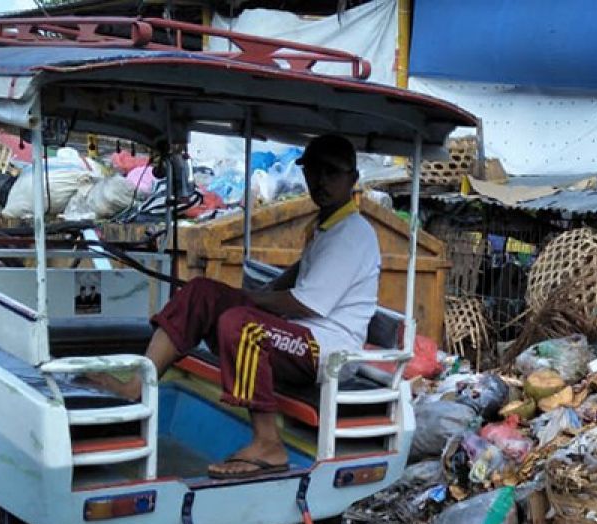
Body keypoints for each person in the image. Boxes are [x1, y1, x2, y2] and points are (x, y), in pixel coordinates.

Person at [91, 134, 381, 478]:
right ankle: (138, 385)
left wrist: (248, 299)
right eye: (313, 171)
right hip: (303, 336)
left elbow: (305, 302)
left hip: (327, 349)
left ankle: (268, 442)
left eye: (331, 172)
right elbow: (300, 273)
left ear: (353, 179)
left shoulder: (352, 234)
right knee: (202, 293)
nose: (320, 181)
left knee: (241, 324)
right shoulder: (324, 226)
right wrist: (237, 294)